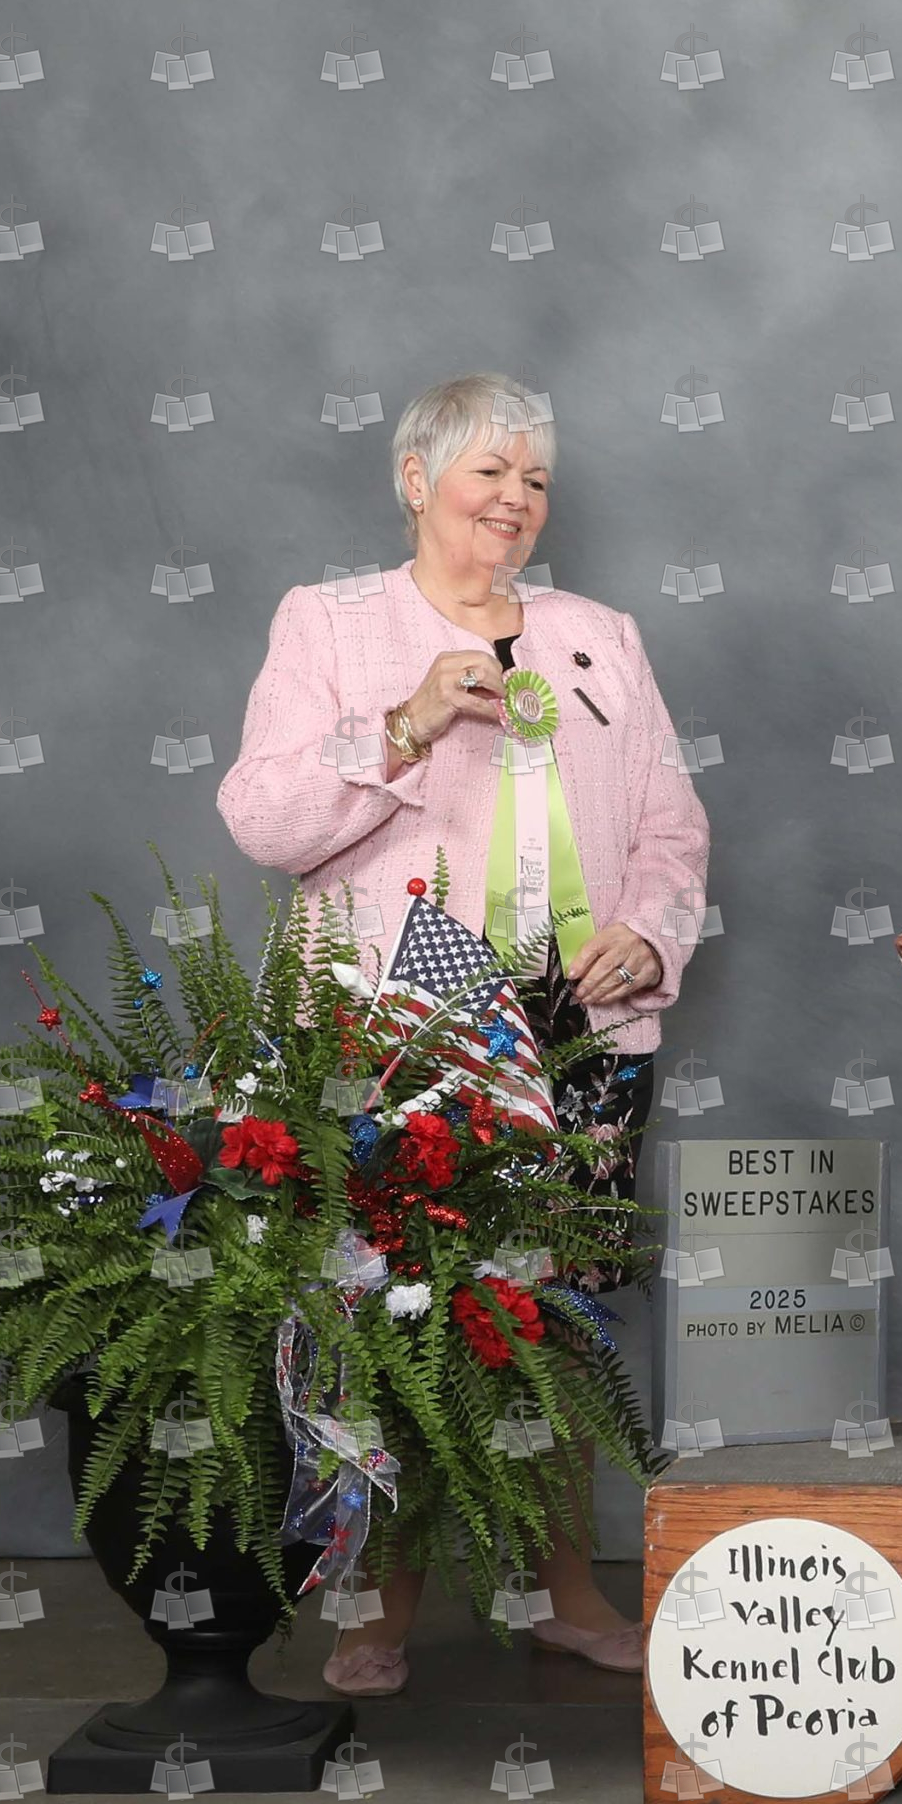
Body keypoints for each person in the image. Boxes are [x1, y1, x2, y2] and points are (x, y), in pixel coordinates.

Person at [216, 372, 711, 1695]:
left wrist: (650, 931)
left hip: (574, 1027)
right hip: (399, 1024)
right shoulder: (330, 623)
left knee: (556, 1316)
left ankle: (562, 1587)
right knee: (376, 1312)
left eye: (535, 479)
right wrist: (406, 723)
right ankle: (374, 1599)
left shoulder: (599, 634)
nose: (516, 498)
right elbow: (262, 818)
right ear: (414, 480)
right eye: (490, 471)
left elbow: (673, 824)